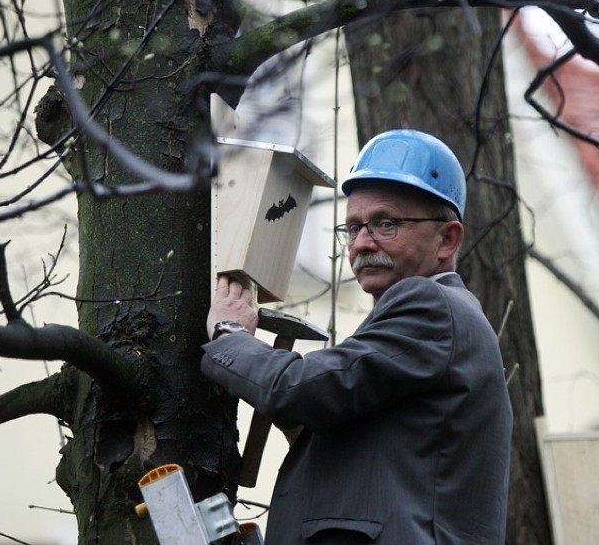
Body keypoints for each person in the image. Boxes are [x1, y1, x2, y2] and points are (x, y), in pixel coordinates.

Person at [202, 129, 512, 544]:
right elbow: (370, 446)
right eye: (352, 228)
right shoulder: (437, 323)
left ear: (447, 238)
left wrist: (230, 333)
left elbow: (303, 389)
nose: (362, 243)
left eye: (386, 223)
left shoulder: (431, 305)